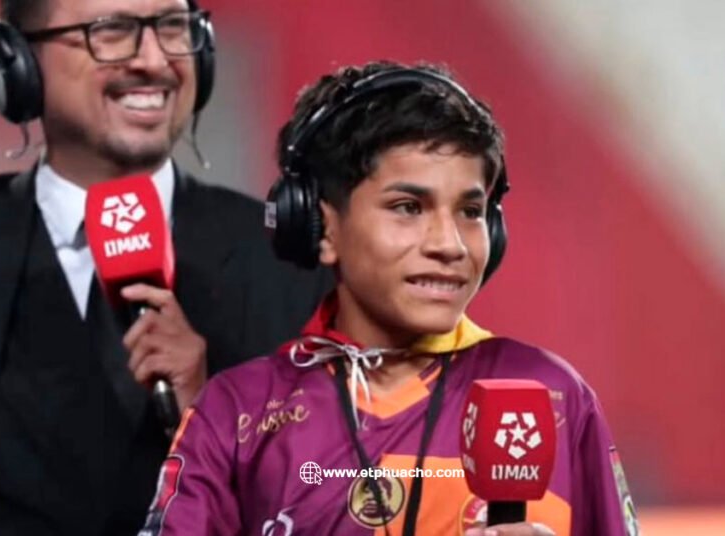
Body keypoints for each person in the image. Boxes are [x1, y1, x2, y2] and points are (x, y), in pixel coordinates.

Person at [0, 0, 330, 534]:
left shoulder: (291, 263)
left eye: (173, 27)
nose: (154, 60)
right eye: (113, 30)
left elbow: (351, 497)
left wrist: (215, 422)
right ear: (16, 60)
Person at [141, 61, 640, 536]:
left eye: (470, 211)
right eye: (408, 207)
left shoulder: (553, 394)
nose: (449, 244)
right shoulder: (237, 411)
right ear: (319, 226)